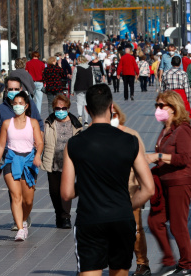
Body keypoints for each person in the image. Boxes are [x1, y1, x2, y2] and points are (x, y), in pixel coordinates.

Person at [61, 83, 154, 275]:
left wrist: (86, 184)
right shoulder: (130, 140)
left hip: (90, 219)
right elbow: (149, 188)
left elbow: (67, 193)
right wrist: (129, 205)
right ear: (112, 107)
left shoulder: (74, 143)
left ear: (87, 109)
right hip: (121, 217)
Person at [0, 77, 44, 231]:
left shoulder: (29, 104)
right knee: (15, 193)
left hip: (28, 156)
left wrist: (38, 148)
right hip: (10, 155)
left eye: (16, 89)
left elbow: (38, 125)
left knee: (27, 199)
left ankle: (24, 216)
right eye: (10, 89)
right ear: (6, 90)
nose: (13, 92)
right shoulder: (2, 109)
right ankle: (18, 224)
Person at [147, 91, 191, 276]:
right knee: (155, 220)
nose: (158, 109)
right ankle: (169, 261)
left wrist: (157, 156)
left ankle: (187, 264)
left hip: (179, 182)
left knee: (177, 225)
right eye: (156, 105)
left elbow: (185, 158)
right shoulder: (166, 129)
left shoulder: (182, 129)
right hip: (164, 182)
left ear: (173, 108)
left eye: (161, 106)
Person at [111, 103, 151, 276]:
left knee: (136, 230)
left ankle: (142, 263)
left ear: (119, 115)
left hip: (130, 190)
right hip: (108, 194)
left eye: (114, 114)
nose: (112, 117)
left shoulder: (131, 134)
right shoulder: (98, 135)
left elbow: (142, 163)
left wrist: (142, 187)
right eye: (108, 114)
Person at [40, 94, 82, 229]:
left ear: (68, 108)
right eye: (58, 108)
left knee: (66, 191)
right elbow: (40, 141)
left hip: (69, 163)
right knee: (54, 192)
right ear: (53, 109)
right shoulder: (48, 123)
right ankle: (59, 214)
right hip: (52, 161)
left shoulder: (76, 124)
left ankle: (65, 217)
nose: (61, 110)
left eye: (63, 108)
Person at [71, 55, 95, 126]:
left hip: (79, 88)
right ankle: (86, 121)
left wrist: (72, 90)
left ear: (79, 61)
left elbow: (73, 80)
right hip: (89, 88)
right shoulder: (90, 68)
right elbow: (93, 79)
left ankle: (80, 115)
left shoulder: (77, 68)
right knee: (86, 104)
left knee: (79, 102)